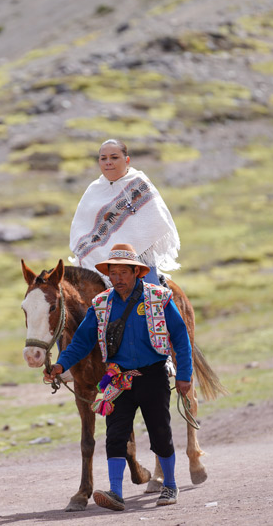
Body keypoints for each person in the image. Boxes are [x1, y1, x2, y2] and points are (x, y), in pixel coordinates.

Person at [44, 243, 193, 512]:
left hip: (153, 375)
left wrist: (184, 374)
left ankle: (170, 484)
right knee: (114, 436)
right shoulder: (100, 305)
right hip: (117, 379)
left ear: (136, 272)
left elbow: (180, 337)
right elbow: (80, 342)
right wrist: (60, 365)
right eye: (113, 273)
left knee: (160, 432)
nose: (118, 278)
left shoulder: (159, 298)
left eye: (124, 272)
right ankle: (116, 492)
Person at [69, 139, 180, 287]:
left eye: (114, 157)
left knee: (153, 299)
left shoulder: (139, 184)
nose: (108, 162)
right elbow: (82, 230)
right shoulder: (93, 190)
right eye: (103, 158)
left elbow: (155, 222)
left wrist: (130, 257)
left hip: (138, 262)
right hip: (100, 266)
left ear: (126, 160)